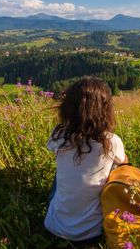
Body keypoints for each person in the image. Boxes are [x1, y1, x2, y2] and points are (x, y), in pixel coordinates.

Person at [44, 76, 128, 247]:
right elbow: (126, 166)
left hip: (53, 228)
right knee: (114, 174)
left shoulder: (59, 134)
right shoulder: (112, 141)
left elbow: (55, 152)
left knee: (59, 177)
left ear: (70, 108)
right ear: (105, 110)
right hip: (92, 234)